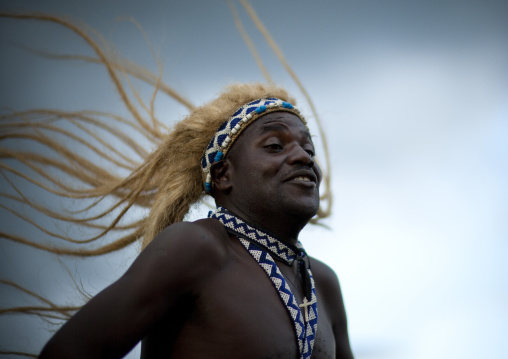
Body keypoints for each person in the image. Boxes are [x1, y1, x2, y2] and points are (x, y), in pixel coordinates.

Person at [37, 83, 354, 359]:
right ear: (223, 175)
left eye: (308, 148)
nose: (303, 157)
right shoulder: (196, 248)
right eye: (275, 146)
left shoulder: (323, 283)